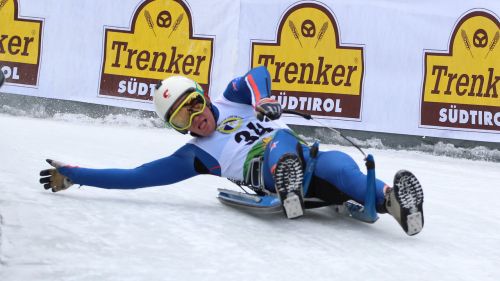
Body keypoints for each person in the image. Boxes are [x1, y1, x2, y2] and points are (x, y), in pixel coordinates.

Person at [39, 66, 424, 236]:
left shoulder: (234, 98)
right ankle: (286, 183)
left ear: (203, 95)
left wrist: (263, 101)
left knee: (340, 164)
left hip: (309, 166)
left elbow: (258, 73)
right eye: (181, 120)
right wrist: (78, 173)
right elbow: (136, 177)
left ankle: (394, 203)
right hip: (267, 173)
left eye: (192, 104)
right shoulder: (196, 156)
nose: (195, 119)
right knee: (279, 143)